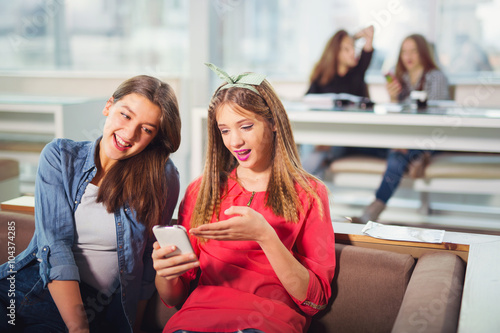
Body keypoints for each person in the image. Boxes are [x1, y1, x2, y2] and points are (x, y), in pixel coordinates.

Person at [152, 63, 336, 333]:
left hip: (266, 323)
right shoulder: (200, 191)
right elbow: (175, 298)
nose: (234, 141)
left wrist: (265, 236)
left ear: (273, 122)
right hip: (196, 321)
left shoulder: (309, 194)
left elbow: (314, 301)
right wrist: (165, 274)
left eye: (246, 126)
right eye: (225, 130)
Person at [0, 75, 181, 332]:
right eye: (125, 115)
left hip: (96, 308)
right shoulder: (60, 157)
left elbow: (148, 268)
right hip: (29, 289)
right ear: (109, 105)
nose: (129, 134)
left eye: (147, 129)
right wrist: (79, 328)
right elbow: (56, 246)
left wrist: (134, 327)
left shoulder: (162, 177)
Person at [352, 34, 450, 223]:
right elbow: (398, 120)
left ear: (423, 52)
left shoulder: (435, 77)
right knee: (395, 152)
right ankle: (416, 157)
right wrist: (394, 99)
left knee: (398, 152)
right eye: (404, 51)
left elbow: (435, 118)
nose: (408, 56)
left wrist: (409, 141)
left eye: (413, 50)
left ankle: (375, 207)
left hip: (431, 136)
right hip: (406, 137)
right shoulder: (401, 78)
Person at [303, 25, 388, 178]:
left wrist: (355, 37)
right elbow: (308, 101)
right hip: (321, 134)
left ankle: (300, 192)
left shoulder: (357, 73)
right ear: (335, 52)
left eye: (354, 48)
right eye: (346, 49)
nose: (353, 52)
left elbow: (369, 41)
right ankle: (309, 196)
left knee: (317, 155)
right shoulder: (321, 75)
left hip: (344, 136)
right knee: (312, 150)